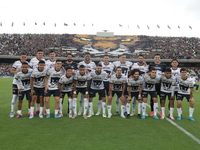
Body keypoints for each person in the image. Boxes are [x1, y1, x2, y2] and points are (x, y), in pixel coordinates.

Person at [9, 53, 28, 117]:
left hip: (24, 84)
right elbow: (11, 71)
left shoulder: (28, 63)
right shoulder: (16, 63)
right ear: (20, 57)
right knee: (14, 97)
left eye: (24, 57)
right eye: (22, 57)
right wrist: (17, 71)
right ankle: (12, 111)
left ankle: (20, 112)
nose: (23, 58)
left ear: (26, 58)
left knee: (21, 98)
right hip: (16, 82)